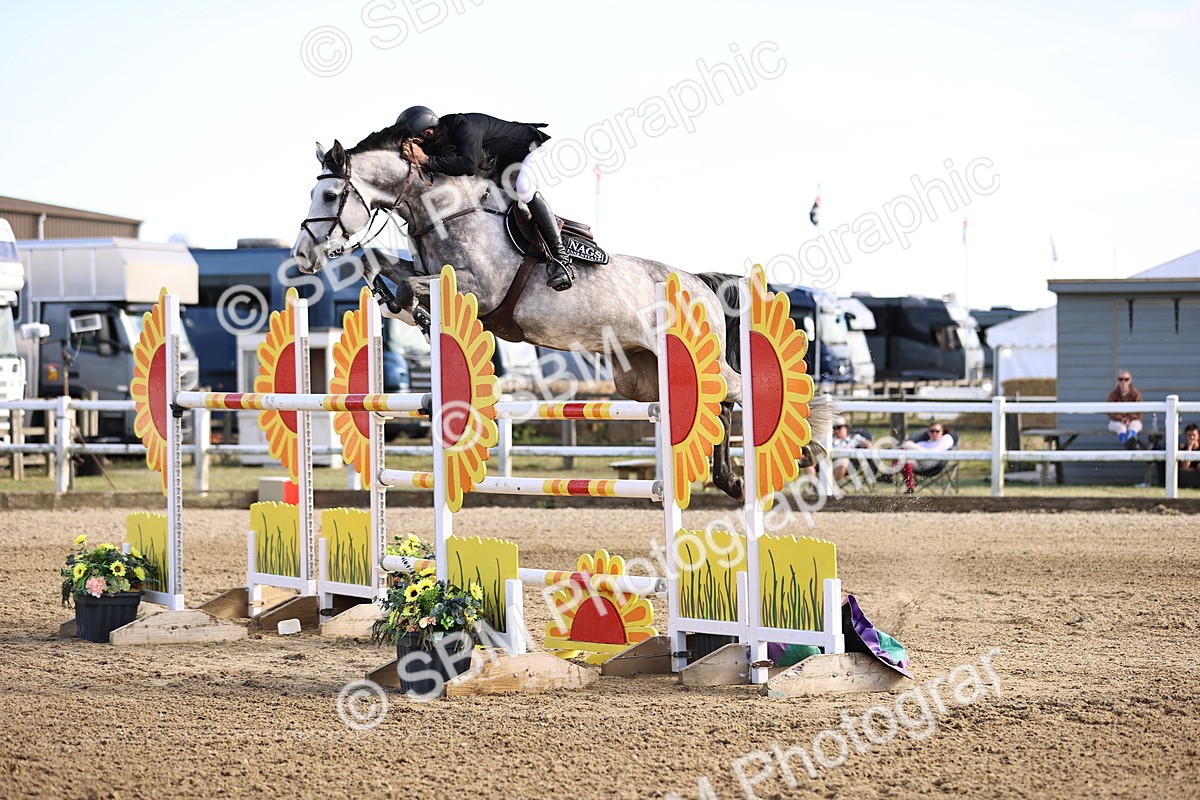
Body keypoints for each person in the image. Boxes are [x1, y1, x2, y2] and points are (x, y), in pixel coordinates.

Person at [393, 105, 574, 292]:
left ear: (428, 133)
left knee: (523, 187)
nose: (415, 147)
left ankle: (561, 259)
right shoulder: (438, 140)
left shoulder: (462, 127)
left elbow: (468, 165)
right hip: (503, 166)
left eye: (415, 141)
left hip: (531, 149)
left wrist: (424, 159)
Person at [898, 421, 954, 493]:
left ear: (942, 432)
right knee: (903, 458)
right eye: (932, 431)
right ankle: (910, 489)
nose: (934, 433)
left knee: (906, 444)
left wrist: (911, 445)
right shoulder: (923, 443)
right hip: (919, 464)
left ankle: (887, 474)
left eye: (937, 431)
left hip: (934, 464)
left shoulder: (946, 439)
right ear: (928, 432)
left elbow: (933, 453)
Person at [1106, 370, 1144, 449]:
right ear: (1117, 381)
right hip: (1117, 421)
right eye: (1120, 379)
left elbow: (1139, 411)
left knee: (1134, 426)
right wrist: (1122, 419)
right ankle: (1127, 445)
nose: (1123, 382)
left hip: (1133, 420)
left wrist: (1129, 419)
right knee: (1121, 428)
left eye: (1126, 379)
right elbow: (1110, 412)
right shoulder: (1113, 394)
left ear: (1130, 380)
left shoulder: (1135, 394)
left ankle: (1131, 444)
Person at [830, 417, 870, 482]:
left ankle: (828, 487)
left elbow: (868, 445)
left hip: (850, 463)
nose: (836, 430)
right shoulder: (829, 439)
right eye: (834, 428)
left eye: (839, 427)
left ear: (846, 427)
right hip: (830, 461)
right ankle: (814, 487)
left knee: (843, 461)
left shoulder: (854, 437)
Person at [1181, 423, 1200, 489]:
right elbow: (1184, 468)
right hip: (1189, 476)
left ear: (1198, 436)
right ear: (1186, 436)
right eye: (1189, 435)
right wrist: (1189, 448)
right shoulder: (1183, 450)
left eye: (1194, 435)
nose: (1192, 438)